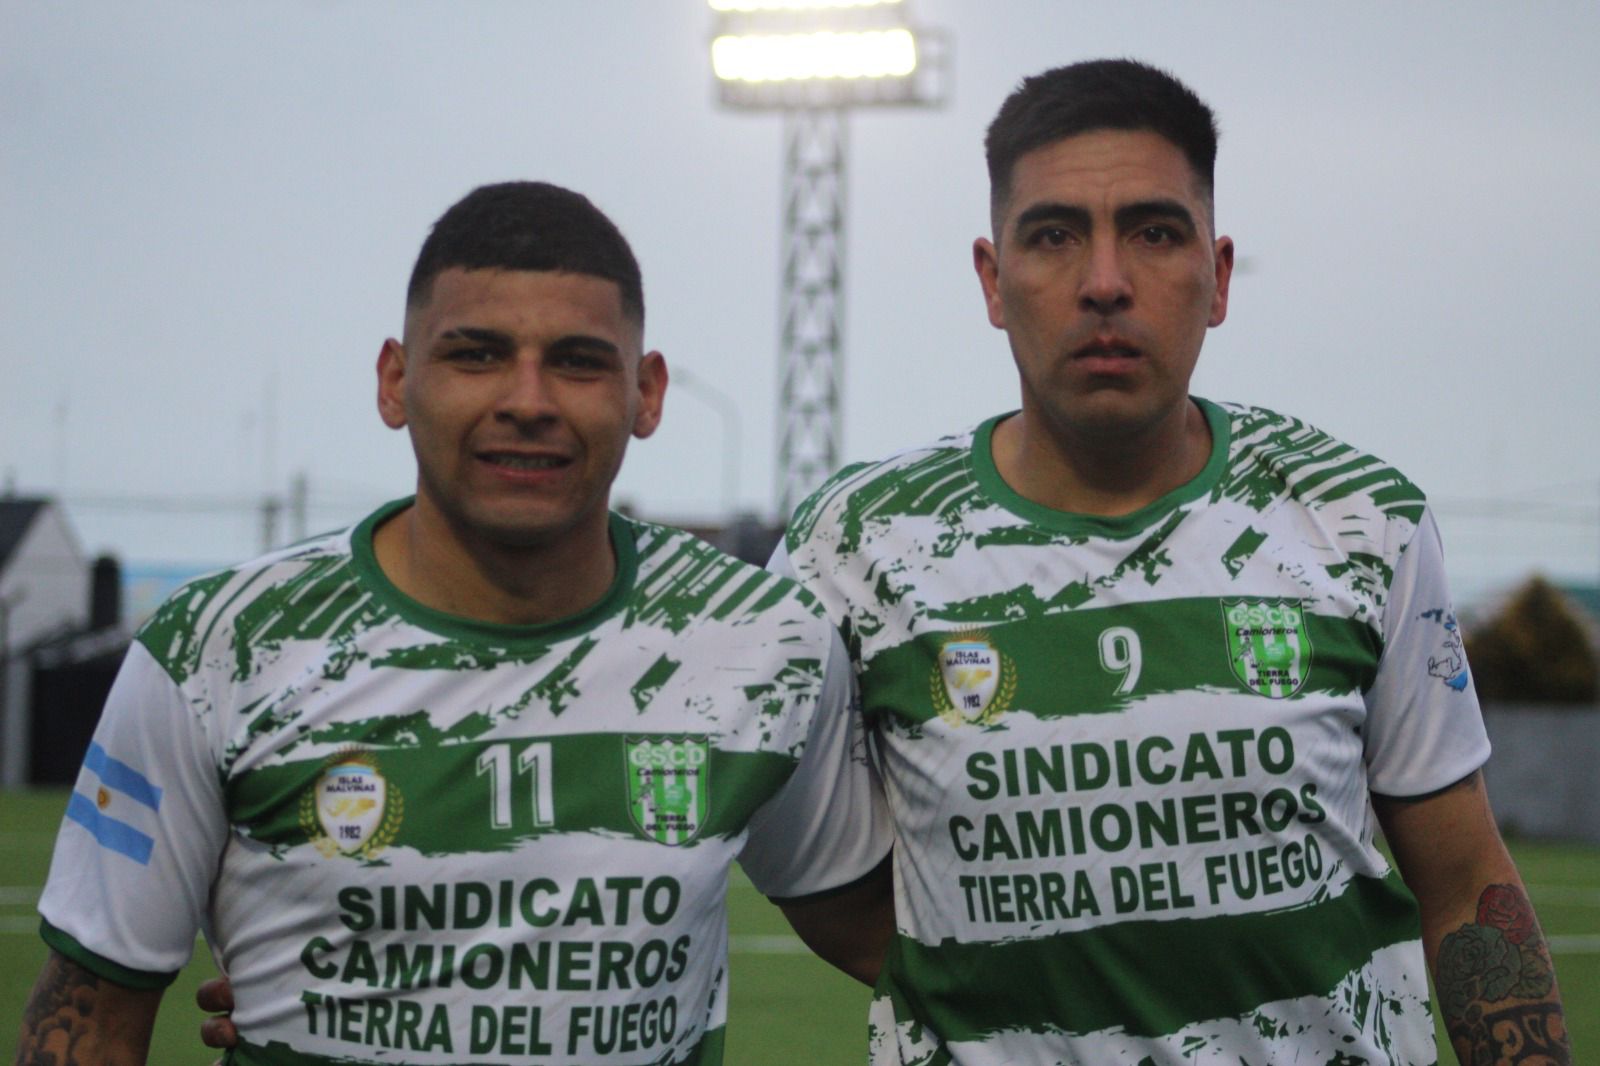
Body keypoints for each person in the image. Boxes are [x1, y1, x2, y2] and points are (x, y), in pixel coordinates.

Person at [772, 59, 1570, 1065]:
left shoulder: (1359, 519)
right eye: (1054, 235)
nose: (1105, 282)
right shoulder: (853, 549)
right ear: (992, 280)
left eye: (1153, 232)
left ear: (1219, 276)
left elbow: (1466, 888)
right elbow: (831, 892)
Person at [15, 181, 893, 1066]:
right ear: (396, 382)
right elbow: (90, 1022)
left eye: (578, 362)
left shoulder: (764, 641)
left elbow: (890, 937)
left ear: (647, 393)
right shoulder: (217, 648)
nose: (528, 400)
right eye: (476, 355)